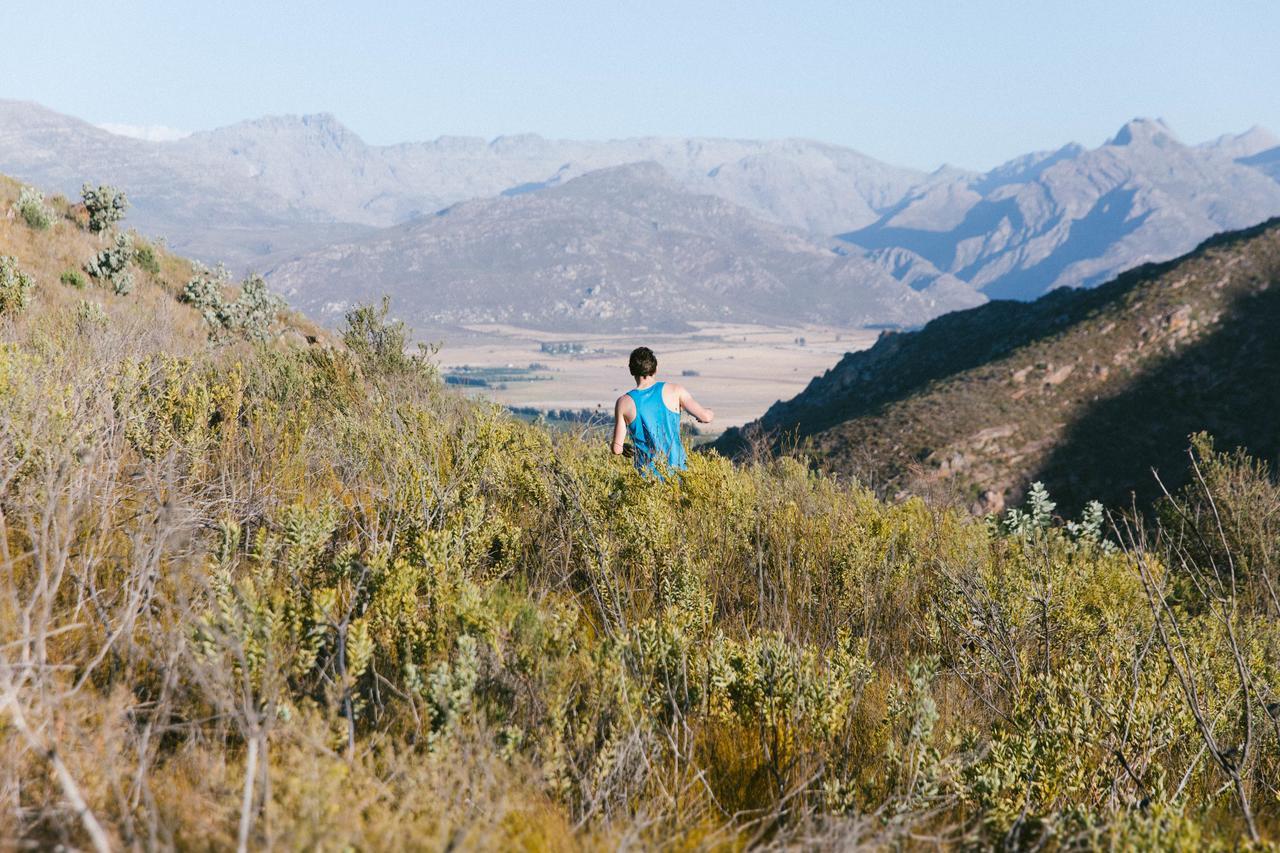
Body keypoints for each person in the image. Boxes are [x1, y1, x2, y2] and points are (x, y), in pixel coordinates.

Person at [610, 346, 714, 477]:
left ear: (631, 371)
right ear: (655, 369)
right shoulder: (675, 390)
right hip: (678, 472)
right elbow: (705, 417)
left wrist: (625, 448)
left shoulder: (624, 402)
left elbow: (616, 449)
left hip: (646, 477)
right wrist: (710, 412)